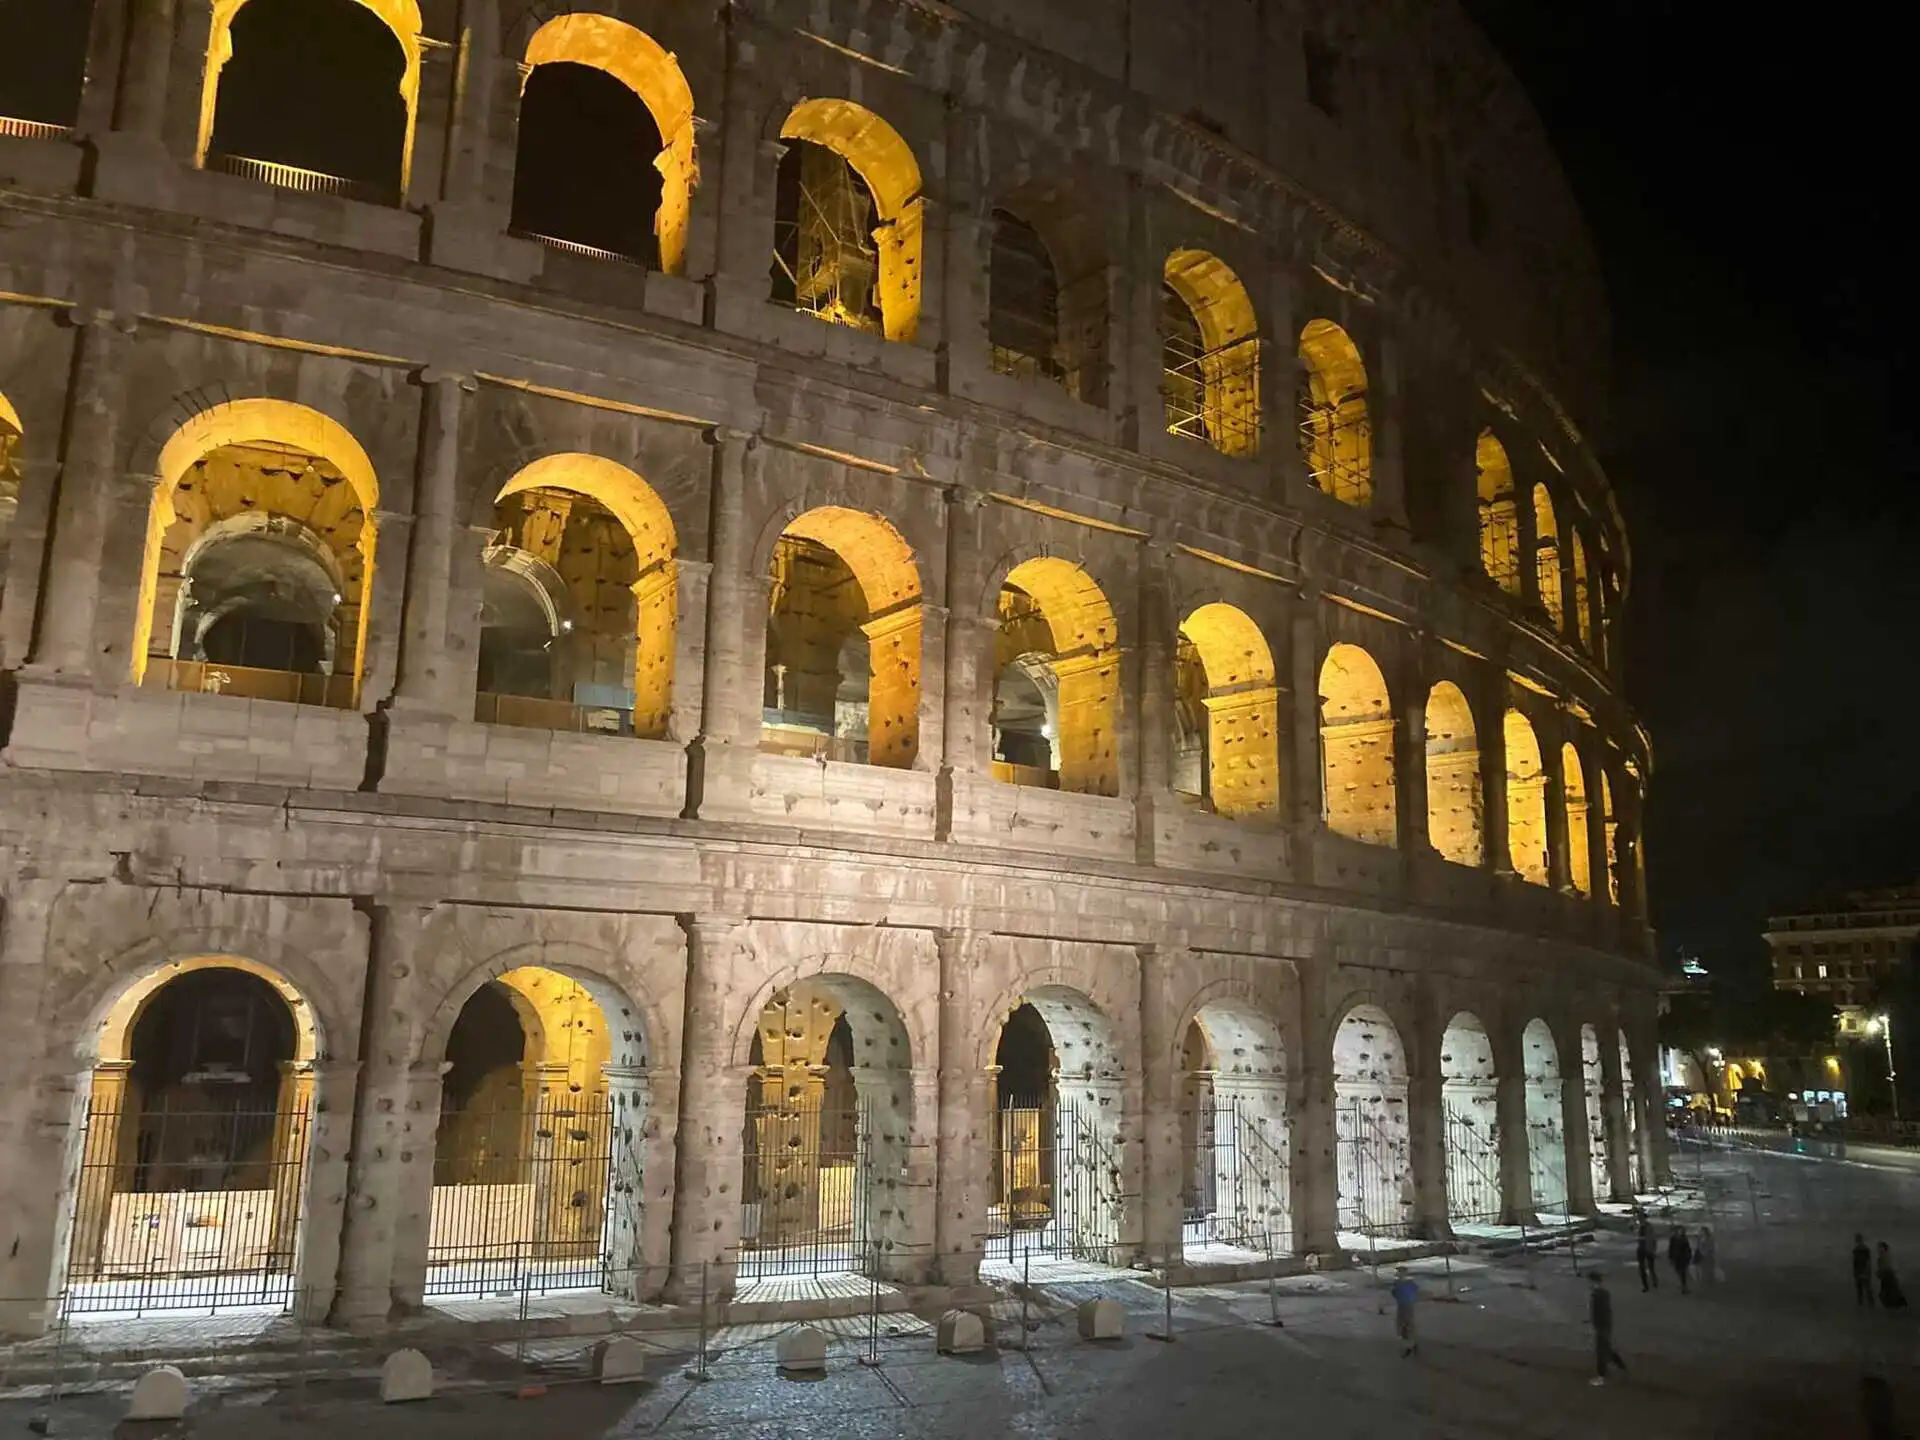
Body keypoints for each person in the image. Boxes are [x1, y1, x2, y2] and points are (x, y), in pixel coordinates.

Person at [1587, 1271, 1627, 1386]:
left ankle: (1601, 1377)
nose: (1588, 1284)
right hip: (1606, 1326)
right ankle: (1621, 1365)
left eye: (1589, 1281)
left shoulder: (1596, 1295)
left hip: (1601, 1327)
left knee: (1601, 1352)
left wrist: (1596, 1327)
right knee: (1607, 1349)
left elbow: (1599, 1313)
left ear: (1593, 1281)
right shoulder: (1604, 1293)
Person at [1391, 1268, 1420, 1356]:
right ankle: (1412, 1343)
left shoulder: (1401, 1283)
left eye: (1399, 1272)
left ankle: (1409, 1345)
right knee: (1407, 1324)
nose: (1397, 1274)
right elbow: (1415, 1291)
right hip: (1406, 1305)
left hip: (1404, 1306)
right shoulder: (1408, 1283)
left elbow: (1395, 1293)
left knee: (1404, 1325)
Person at [1877, 1242, 1908, 1310]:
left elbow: (1889, 1267)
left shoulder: (1886, 1258)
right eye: (1879, 1249)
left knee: (1893, 1293)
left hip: (1889, 1277)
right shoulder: (1881, 1259)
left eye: (1881, 1250)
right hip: (1886, 1278)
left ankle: (1900, 1307)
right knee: (1888, 1294)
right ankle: (1896, 1307)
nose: (1879, 1251)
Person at [1635, 1216, 1659, 1292]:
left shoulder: (1649, 1227)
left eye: (1641, 1219)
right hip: (1641, 1249)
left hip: (1649, 1249)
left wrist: (1654, 1250)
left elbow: (1652, 1239)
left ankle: (1654, 1280)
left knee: (1651, 1267)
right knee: (1642, 1268)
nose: (1640, 1220)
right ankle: (1645, 1285)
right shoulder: (1638, 1227)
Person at [1668, 1223, 1693, 1294]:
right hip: (1677, 1258)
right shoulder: (1674, 1238)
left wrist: (1689, 1257)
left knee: (1683, 1273)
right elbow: (1671, 1248)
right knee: (1679, 1272)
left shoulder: (1684, 1239)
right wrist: (1670, 1257)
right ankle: (1682, 1285)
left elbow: (1687, 1249)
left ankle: (1683, 1286)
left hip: (1683, 1258)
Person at [1854, 1233, 1875, 1307]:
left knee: (1861, 1290)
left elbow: (1855, 1263)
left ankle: (1862, 1304)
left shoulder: (1856, 1250)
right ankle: (1870, 1304)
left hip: (1860, 1271)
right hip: (1864, 1271)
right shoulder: (1865, 1249)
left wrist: (1856, 1273)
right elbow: (1868, 1261)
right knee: (1867, 1289)